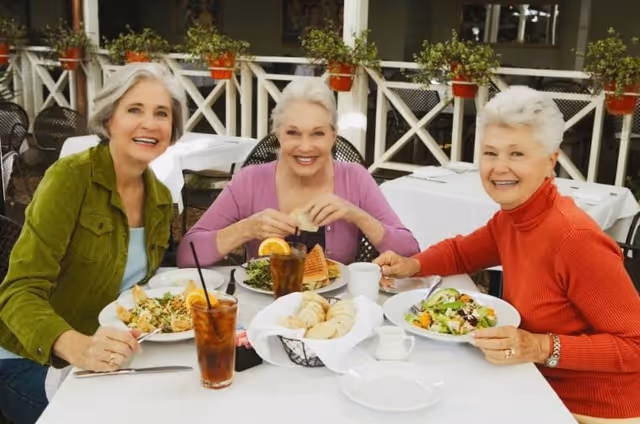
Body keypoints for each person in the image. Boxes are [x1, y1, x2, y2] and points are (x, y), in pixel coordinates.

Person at [374, 86, 640, 424]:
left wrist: (539, 346)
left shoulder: (575, 238)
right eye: (490, 153)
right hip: (530, 380)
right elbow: (461, 252)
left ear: (550, 162)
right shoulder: (515, 217)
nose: (499, 168)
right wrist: (411, 264)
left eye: (517, 154)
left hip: (589, 408)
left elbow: (635, 345)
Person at [0, 62, 187, 424]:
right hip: (28, 358)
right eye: (135, 109)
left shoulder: (161, 198)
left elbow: (138, 291)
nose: (150, 123)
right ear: (109, 120)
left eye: (161, 113)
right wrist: (77, 346)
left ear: (172, 131)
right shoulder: (71, 178)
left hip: (110, 355)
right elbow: (19, 290)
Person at [177, 78, 419, 267]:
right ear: (278, 135)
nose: (305, 147)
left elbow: (410, 251)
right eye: (293, 133)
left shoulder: (355, 178)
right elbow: (187, 253)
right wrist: (246, 229)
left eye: (317, 133)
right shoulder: (250, 180)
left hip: (333, 316)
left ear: (333, 137)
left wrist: (356, 215)